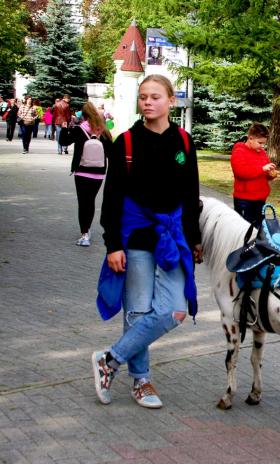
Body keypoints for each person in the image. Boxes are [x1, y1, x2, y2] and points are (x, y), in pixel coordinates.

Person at [92, 74, 202, 409]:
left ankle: (109, 359)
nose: (148, 102)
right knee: (138, 312)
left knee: (175, 311)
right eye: (143, 97)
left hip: (172, 239)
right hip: (136, 238)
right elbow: (111, 198)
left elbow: (191, 195)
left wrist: (194, 239)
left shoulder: (184, 142)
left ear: (171, 100)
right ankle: (141, 381)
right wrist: (113, 244)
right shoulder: (125, 142)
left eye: (155, 96)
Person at [59, 101, 113, 247]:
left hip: (82, 171)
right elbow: (111, 153)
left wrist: (64, 128)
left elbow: (64, 142)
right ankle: (87, 230)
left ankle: (85, 234)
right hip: (99, 173)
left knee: (83, 203)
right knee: (91, 201)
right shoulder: (104, 131)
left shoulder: (79, 129)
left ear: (83, 116)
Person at [230, 122, 276, 228]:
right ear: (250, 138)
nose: (262, 146)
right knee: (244, 229)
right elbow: (241, 172)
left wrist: (270, 174)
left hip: (260, 199)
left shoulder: (262, 153)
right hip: (244, 200)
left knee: (258, 229)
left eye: (264, 143)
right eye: (260, 143)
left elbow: (264, 173)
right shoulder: (239, 151)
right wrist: (262, 168)